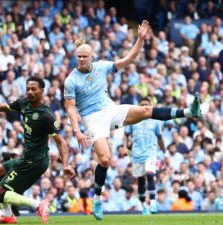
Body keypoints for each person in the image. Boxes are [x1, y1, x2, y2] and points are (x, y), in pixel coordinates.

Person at [63, 20, 201, 220]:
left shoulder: (101, 66)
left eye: (85, 57)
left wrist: (140, 40)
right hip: (92, 119)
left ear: (92, 57)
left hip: (110, 109)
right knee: (105, 159)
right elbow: (69, 108)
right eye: (79, 57)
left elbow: (128, 59)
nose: (81, 60)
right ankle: (98, 198)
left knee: (146, 110)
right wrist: (76, 130)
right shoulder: (71, 80)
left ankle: (189, 111)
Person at [0, 76, 76, 224]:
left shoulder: (46, 115)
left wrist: (65, 165)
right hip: (26, 158)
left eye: (34, 89)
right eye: (28, 89)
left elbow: (62, 143)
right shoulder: (23, 102)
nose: (30, 92)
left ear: (42, 91)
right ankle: (7, 215)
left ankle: (38, 205)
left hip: (36, 162)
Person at [124, 97, 166, 215]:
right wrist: (125, 147)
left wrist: (164, 152)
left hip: (150, 153)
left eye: (146, 104)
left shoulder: (155, 120)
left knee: (150, 174)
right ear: (139, 106)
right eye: (142, 104)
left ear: (150, 105)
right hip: (137, 154)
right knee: (141, 181)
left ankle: (153, 204)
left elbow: (159, 137)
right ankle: (143, 207)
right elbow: (126, 135)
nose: (144, 106)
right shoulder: (133, 119)